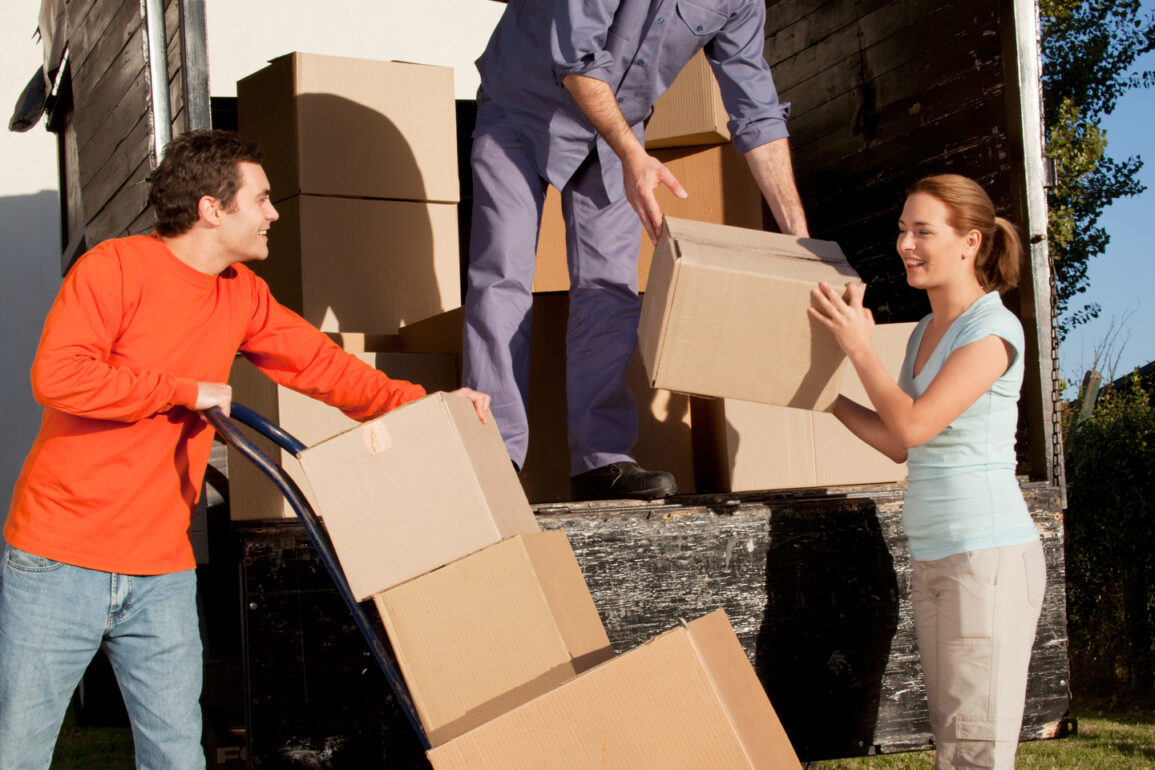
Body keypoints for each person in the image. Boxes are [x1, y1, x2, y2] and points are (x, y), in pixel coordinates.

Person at [0, 129, 490, 769]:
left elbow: (323, 366)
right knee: (21, 751)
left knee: (177, 754)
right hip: (60, 558)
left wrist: (429, 402)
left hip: (162, 567)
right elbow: (59, 377)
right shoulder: (115, 268)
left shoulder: (241, 292)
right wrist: (182, 390)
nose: (273, 213)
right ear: (211, 208)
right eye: (260, 199)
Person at [465, 0, 810, 501]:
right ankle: (491, 454)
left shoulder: (740, 3)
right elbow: (576, 59)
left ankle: (600, 461)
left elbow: (756, 112)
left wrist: (801, 244)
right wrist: (633, 155)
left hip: (616, 124)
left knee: (611, 287)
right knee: (502, 276)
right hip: (523, 100)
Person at [809, 174, 1045, 768]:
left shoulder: (993, 330)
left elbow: (916, 425)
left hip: (983, 559)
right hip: (936, 553)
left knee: (976, 750)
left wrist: (859, 347)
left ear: (970, 242)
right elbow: (897, 442)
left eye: (923, 231)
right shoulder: (924, 333)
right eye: (902, 230)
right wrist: (819, 393)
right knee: (954, 739)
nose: (906, 244)